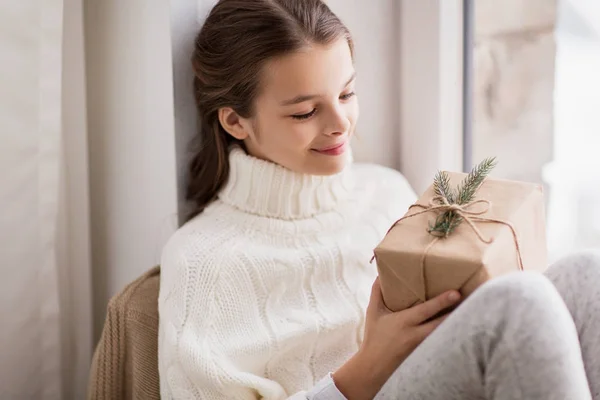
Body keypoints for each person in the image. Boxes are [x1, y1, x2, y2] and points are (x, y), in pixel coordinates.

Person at [157, 0, 600, 399]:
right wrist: (367, 367)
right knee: (519, 302)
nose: (340, 124)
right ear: (235, 121)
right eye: (305, 112)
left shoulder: (384, 192)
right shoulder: (203, 263)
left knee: (587, 276)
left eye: (346, 94)